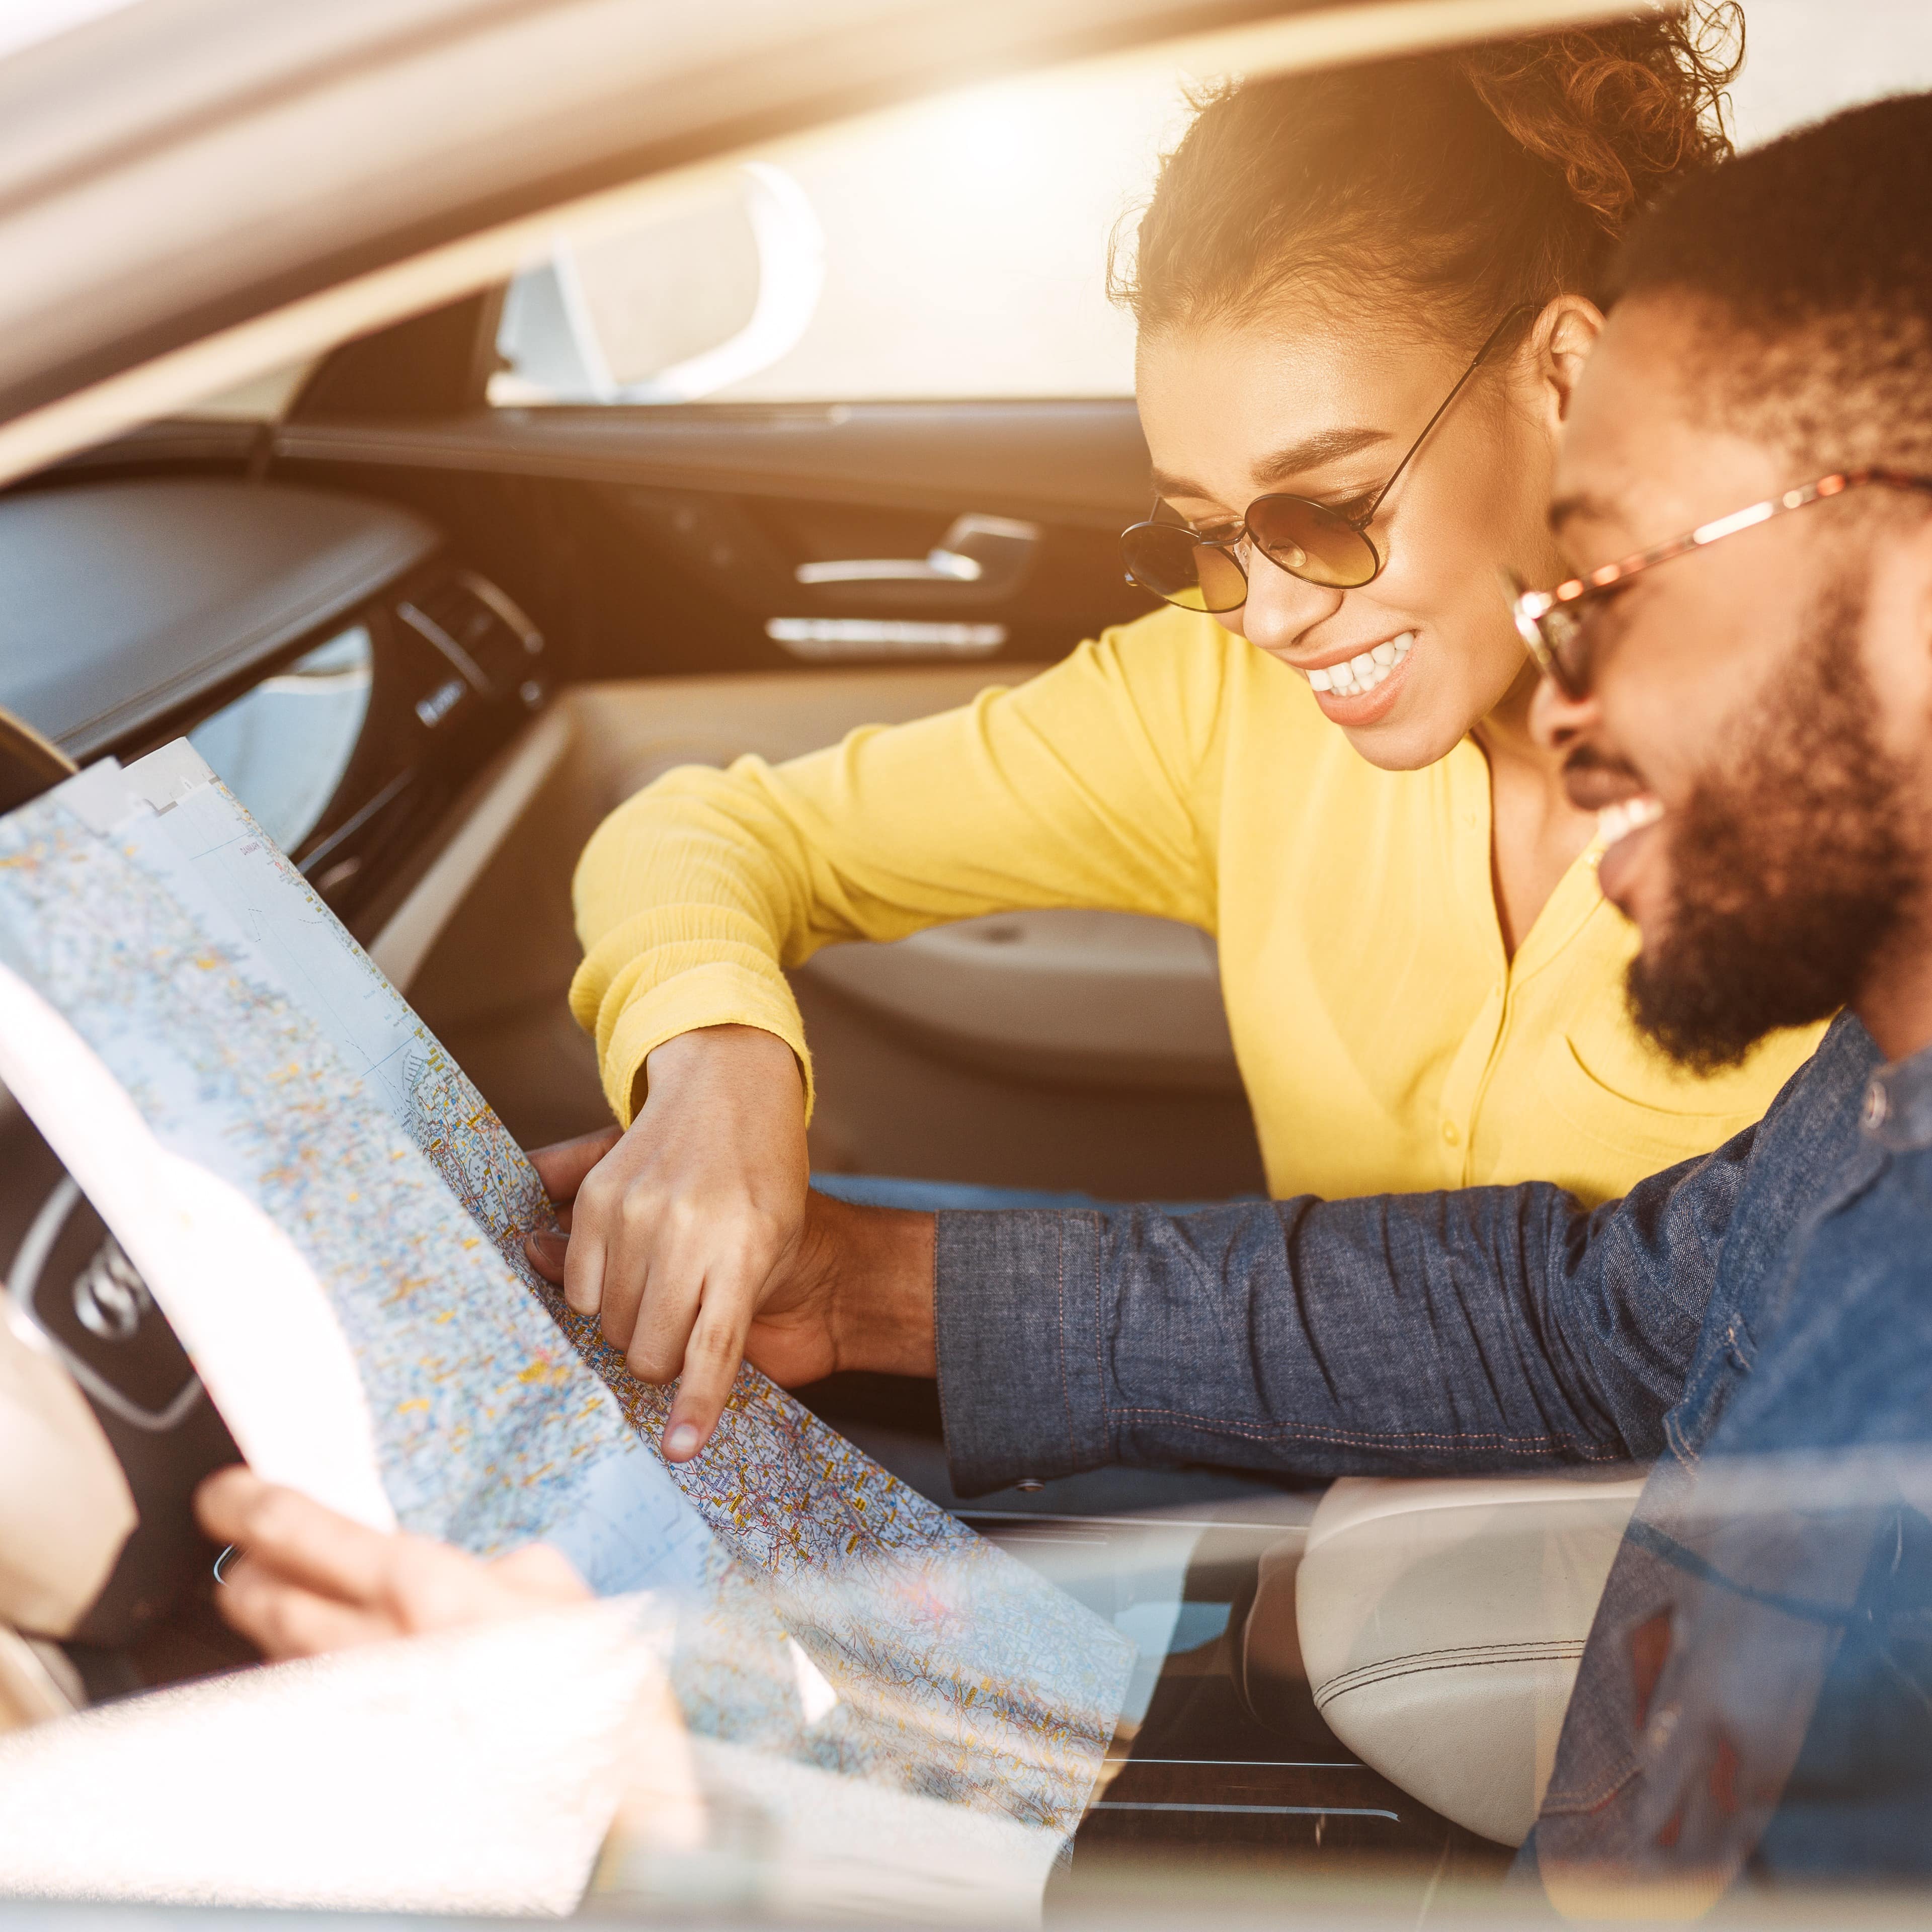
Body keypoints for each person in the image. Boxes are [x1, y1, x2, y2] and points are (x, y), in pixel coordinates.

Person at [205, 91, 1932, 1894]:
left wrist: (722, 1852)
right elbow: (1577, 1315)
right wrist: (850, 1260)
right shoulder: (1860, 1115)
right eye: (1205, 537)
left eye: (1622, 581)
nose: (1264, 617)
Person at [557, 9, 1834, 1464]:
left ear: (1568, 377)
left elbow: (1648, 1332)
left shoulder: (1854, 768)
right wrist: (717, 1069)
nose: (1272, 614)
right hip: (1328, 1529)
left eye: (1331, 510)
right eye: (1214, 539)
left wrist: (879, 1289)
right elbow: (708, 828)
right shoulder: (1221, 707)